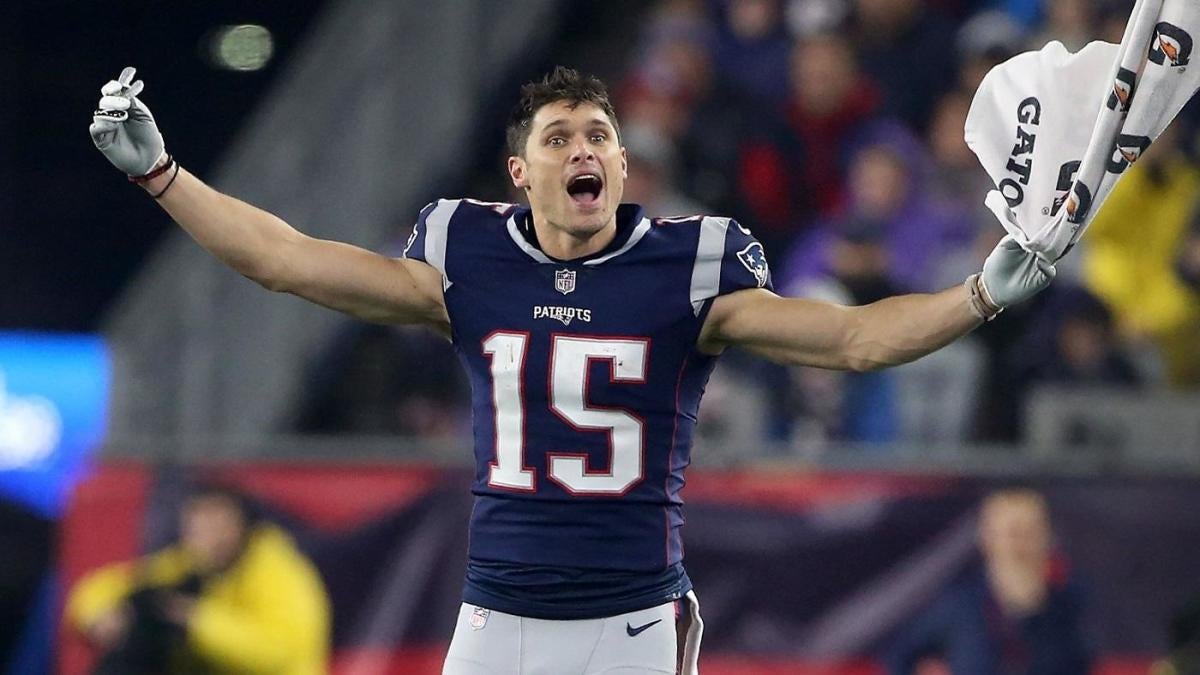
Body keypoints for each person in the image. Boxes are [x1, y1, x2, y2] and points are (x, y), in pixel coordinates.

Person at [89, 65, 1055, 675]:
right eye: (559, 137)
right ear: (522, 171)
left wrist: (975, 296)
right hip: (493, 613)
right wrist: (162, 176)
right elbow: (283, 258)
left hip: (626, 623)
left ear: (623, 166)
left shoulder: (689, 268)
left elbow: (853, 341)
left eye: (599, 135)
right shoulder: (464, 257)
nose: (583, 149)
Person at [64, 483, 330, 675]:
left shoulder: (281, 573)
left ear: (241, 527)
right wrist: (99, 613)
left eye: (216, 525)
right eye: (197, 526)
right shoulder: (185, 564)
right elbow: (105, 586)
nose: (205, 536)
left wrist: (197, 621)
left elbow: (280, 655)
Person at [883, 489, 1094, 674]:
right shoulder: (959, 606)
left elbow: (1083, 661)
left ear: (1046, 537)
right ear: (988, 537)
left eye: (1029, 533)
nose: (1018, 547)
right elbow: (901, 655)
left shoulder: (1070, 608)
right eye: (1010, 534)